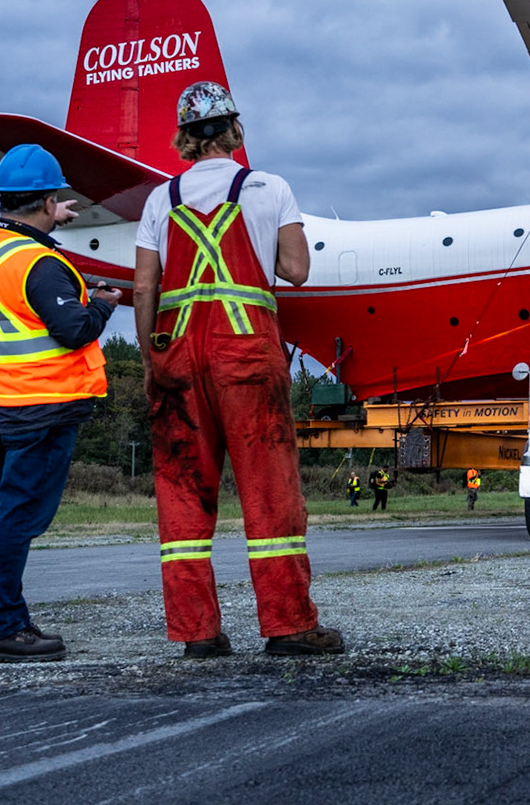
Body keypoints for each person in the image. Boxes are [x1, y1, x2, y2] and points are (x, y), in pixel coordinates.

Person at [134, 81, 343, 658]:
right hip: (247, 349)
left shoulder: (160, 200)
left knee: (182, 490)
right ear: (234, 131)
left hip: (177, 356)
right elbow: (296, 270)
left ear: (184, 137)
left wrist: (152, 359)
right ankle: (288, 624)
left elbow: (145, 288)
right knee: (269, 488)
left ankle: (197, 633)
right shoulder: (269, 188)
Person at [0, 144, 119, 663]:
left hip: (3, 404)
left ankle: (1, 617)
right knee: (19, 519)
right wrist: (102, 305)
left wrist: (50, 218)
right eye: (55, 203)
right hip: (44, 409)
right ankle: (0, 627)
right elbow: (74, 329)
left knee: (0, 517)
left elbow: (20, 299)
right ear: (48, 201)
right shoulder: (41, 264)